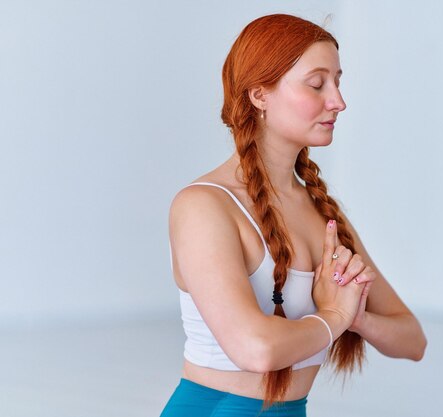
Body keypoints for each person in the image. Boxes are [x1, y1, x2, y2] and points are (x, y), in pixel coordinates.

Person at [161, 13, 427, 417]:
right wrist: (334, 314)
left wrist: (358, 319)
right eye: (317, 83)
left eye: (338, 81)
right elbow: (256, 348)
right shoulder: (203, 206)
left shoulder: (323, 212)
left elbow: (412, 340)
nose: (338, 101)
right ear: (259, 95)